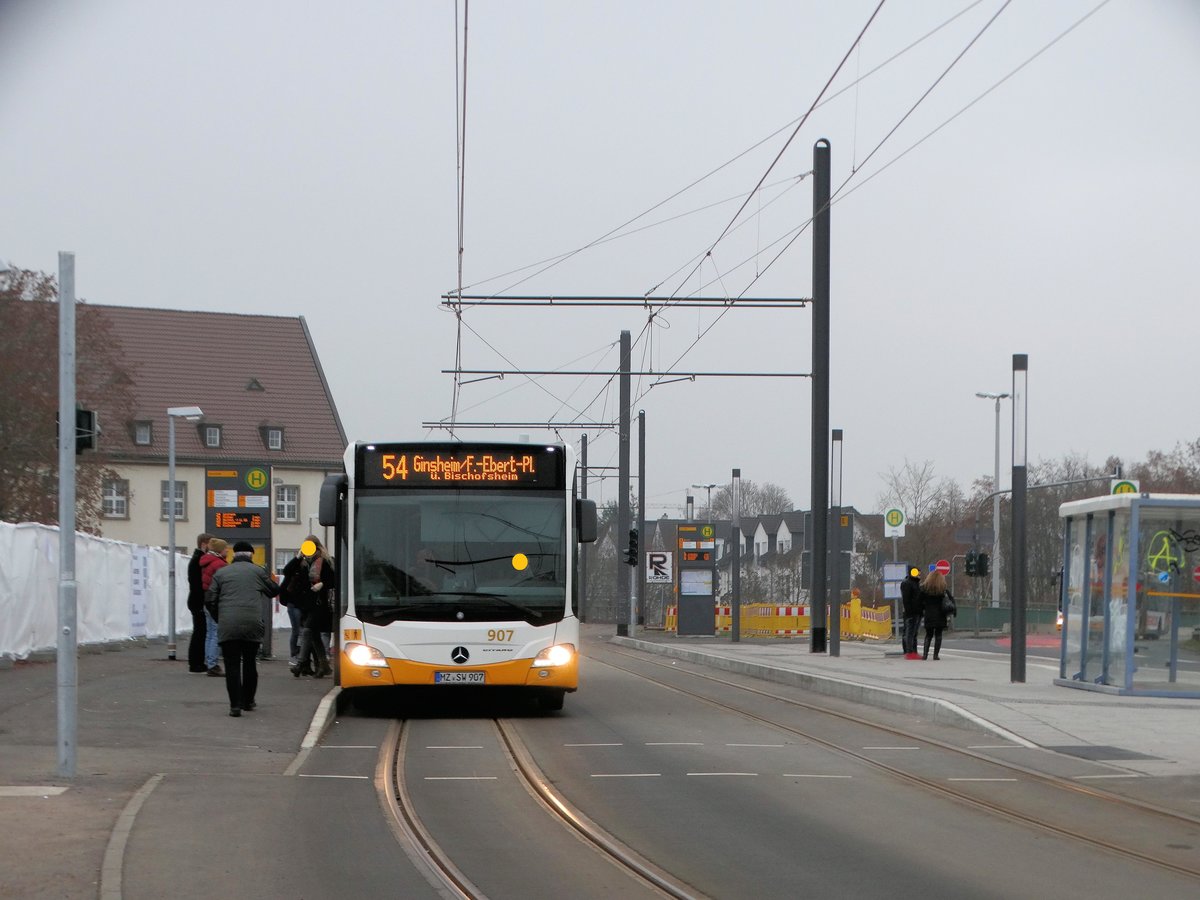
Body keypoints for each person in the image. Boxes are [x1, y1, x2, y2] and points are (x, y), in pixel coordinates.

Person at [206, 540, 280, 716]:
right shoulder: (257, 572)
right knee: (249, 663)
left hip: (228, 624)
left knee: (231, 665)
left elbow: (209, 599)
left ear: (233, 554)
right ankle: (248, 701)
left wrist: (220, 617)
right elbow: (274, 590)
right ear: (251, 555)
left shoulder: (221, 573)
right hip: (252, 623)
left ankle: (235, 706)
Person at [284, 535, 334, 678]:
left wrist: (322, 584)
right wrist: (298, 557)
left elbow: (332, 580)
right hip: (306, 604)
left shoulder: (324, 561)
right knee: (314, 636)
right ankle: (323, 666)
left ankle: (300, 664)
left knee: (307, 631)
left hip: (320, 604)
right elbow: (287, 571)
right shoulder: (303, 562)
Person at [198, 538, 229, 676]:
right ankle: (213, 664)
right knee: (216, 632)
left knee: (210, 633)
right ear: (219, 550)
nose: (227, 550)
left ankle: (209, 661)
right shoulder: (219, 564)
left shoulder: (207, 562)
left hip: (207, 600)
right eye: (225, 548)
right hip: (217, 601)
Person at [186, 533, 214, 673]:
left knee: (200, 631)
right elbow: (197, 583)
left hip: (196, 599)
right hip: (198, 600)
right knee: (200, 632)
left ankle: (197, 662)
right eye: (211, 543)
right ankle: (196, 663)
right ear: (204, 543)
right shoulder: (199, 560)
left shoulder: (197, 558)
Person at [919, 569, 955, 661]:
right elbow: (951, 600)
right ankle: (935, 655)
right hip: (940, 615)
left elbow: (919, 601)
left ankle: (925, 655)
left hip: (929, 615)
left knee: (928, 635)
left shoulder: (924, 589)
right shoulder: (943, 589)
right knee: (938, 635)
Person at [900, 566, 923, 660]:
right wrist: (910, 611)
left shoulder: (913, 583)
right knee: (910, 632)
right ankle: (910, 651)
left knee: (913, 632)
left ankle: (912, 651)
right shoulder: (909, 584)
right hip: (912, 612)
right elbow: (907, 600)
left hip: (915, 611)